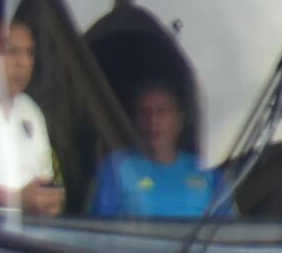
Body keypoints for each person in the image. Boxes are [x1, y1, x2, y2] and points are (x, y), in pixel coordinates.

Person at [0, 17, 63, 220]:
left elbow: (45, 178)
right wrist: (14, 199)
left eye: (29, 53)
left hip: (28, 238)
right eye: (11, 51)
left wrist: (50, 201)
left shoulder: (32, 112)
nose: (22, 63)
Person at [92, 83, 219, 219]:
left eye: (162, 111)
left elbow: (228, 231)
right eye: (144, 112)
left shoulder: (207, 169)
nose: (153, 120)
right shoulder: (117, 167)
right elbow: (98, 230)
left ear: (180, 119)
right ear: (135, 121)